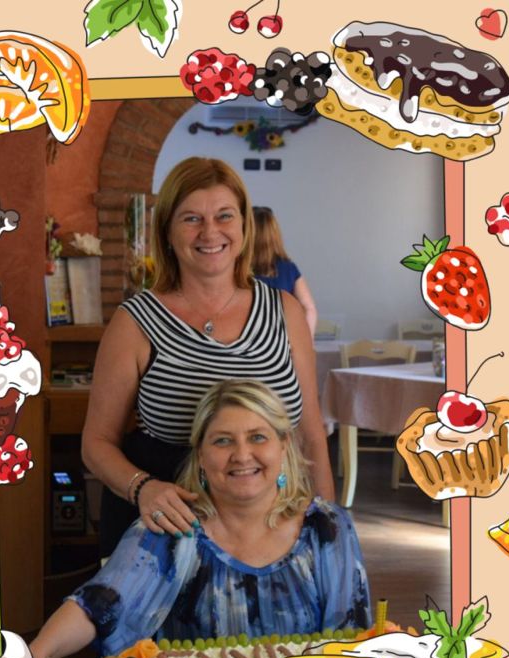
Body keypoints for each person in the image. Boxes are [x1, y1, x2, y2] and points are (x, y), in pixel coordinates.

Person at [31, 380, 370, 658]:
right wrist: (39, 651)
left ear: (283, 446)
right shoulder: (172, 526)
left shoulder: (328, 528)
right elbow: (99, 603)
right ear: (202, 457)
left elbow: (350, 642)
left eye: (258, 437)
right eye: (223, 441)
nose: (242, 455)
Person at [82, 156, 334, 558]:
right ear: (167, 231)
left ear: (244, 226)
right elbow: (96, 443)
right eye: (191, 219)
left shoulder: (285, 311)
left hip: (271, 530)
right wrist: (143, 488)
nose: (210, 232)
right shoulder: (135, 322)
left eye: (224, 216)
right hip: (167, 535)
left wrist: (329, 529)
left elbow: (310, 433)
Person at [252, 206, 318, 336]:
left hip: (249, 343)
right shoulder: (288, 269)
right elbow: (309, 309)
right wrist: (307, 342)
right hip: (283, 342)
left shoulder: (236, 270)